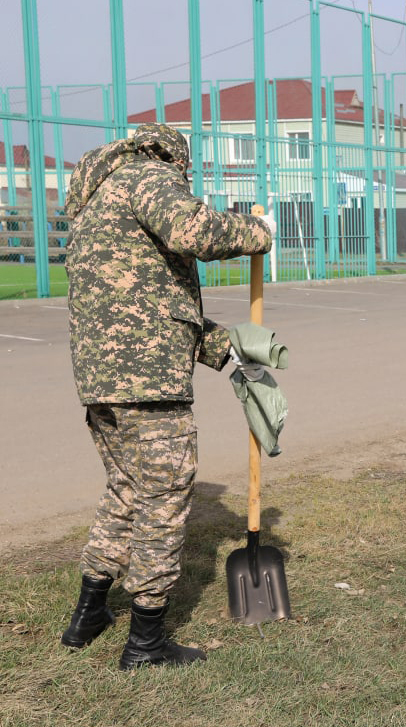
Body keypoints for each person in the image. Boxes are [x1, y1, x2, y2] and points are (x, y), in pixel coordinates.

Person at [60, 123, 275, 670]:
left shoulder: (97, 200)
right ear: (173, 159)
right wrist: (257, 230)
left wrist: (229, 348)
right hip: (149, 384)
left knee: (126, 489)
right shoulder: (148, 177)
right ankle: (147, 641)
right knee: (164, 498)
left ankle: (89, 612)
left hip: (103, 380)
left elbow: (145, 306)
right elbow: (194, 231)